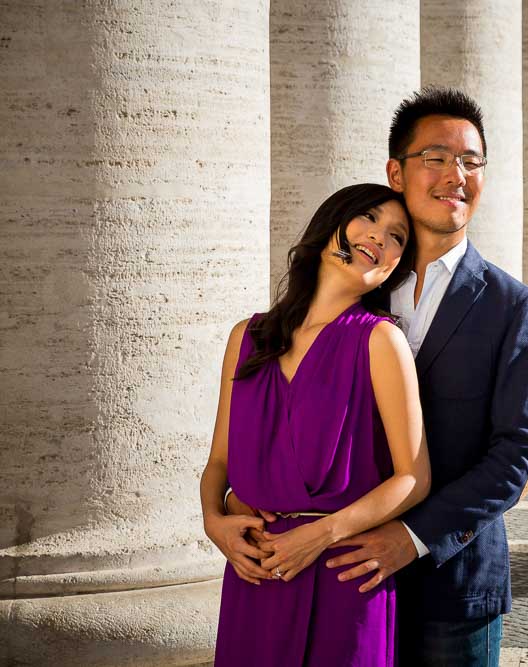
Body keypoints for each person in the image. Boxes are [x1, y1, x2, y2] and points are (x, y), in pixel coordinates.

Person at [229, 87, 528, 665]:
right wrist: (233, 504)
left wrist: (411, 536)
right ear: (396, 172)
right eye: (436, 157)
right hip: (338, 583)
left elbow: (520, 455)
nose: (456, 174)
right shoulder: (358, 286)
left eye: (471, 161)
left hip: (450, 582)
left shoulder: (512, 305)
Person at [200, 183, 430, 666]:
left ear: (395, 265)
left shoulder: (380, 341)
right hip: (255, 574)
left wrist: (320, 535)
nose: (380, 238)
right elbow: (219, 462)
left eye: (397, 237)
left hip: (342, 574)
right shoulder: (247, 336)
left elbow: (413, 477)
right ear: (331, 225)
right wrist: (215, 525)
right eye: (368, 218)